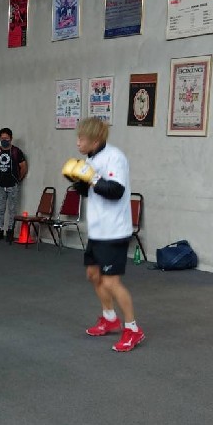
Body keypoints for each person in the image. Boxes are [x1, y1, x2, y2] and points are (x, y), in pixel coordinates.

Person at [62, 117, 144, 352]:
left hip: (114, 230)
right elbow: (90, 191)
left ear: (95, 140)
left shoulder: (114, 157)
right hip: (98, 230)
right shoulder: (91, 159)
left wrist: (92, 177)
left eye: (82, 138)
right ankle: (110, 318)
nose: (78, 142)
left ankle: (133, 329)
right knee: (93, 275)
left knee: (111, 282)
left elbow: (115, 191)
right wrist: (77, 181)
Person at [0, 127, 28, 242]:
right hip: (0, 184)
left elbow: (23, 167)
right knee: (0, 209)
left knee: (12, 209)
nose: (4, 140)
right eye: (2, 138)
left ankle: (10, 231)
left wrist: (18, 179)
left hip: (13, 185)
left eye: (6, 138)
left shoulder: (16, 151)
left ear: (11, 138)